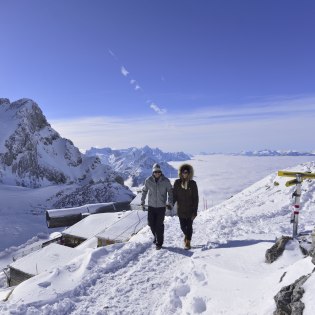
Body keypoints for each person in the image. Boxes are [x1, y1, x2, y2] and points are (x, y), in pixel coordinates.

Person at [141, 163, 173, 250]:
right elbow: (144, 191)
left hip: (161, 207)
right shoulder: (148, 180)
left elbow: (170, 193)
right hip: (151, 206)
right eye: (155, 172)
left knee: (159, 225)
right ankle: (156, 236)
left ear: (161, 172)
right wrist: (142, 201)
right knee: (151, 224)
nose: (157, 173)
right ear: (153, 172)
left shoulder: (166, 181)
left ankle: (159, 242)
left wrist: (169, 203)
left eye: (159, 172)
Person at [173, 164, 199, 250]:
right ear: (181, 173)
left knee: (189, 226)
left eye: (186, 172)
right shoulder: (177, 183)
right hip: (181, 209)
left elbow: (196, 198)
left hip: (190, 209)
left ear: (189, 173)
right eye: (183, 172)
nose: (185, 174)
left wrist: (195, 211)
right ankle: (187, 235)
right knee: (182, 227)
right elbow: (174, 196)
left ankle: (188, 242)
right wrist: (170, 204)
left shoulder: (193, 183)